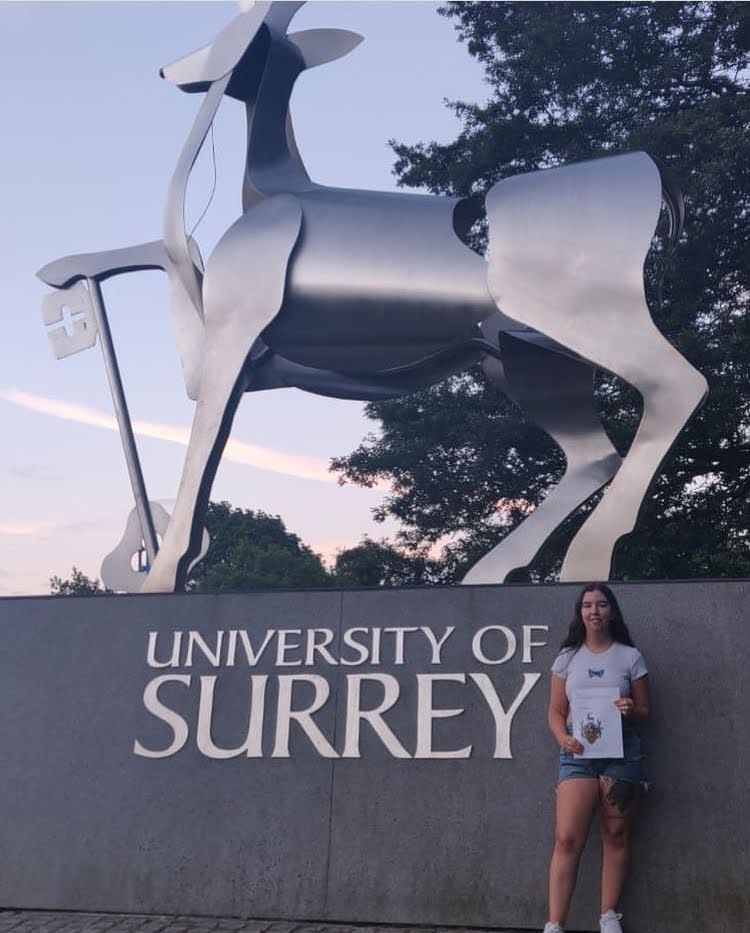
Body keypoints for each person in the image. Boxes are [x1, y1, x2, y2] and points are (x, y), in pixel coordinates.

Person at [542, 582, 650, 933]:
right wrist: (563, 738)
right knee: (567, 839)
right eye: (587, 605)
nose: (594, 611)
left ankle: (608, 916)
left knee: (616, 834)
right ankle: (555, 924)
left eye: (601, 604)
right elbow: (556, 712)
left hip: (622, 755)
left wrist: (631, 708)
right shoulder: (567, 658)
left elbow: (646, 712)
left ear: (612, 611)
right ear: (580, 613)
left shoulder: (630, 657)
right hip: (578, 756)